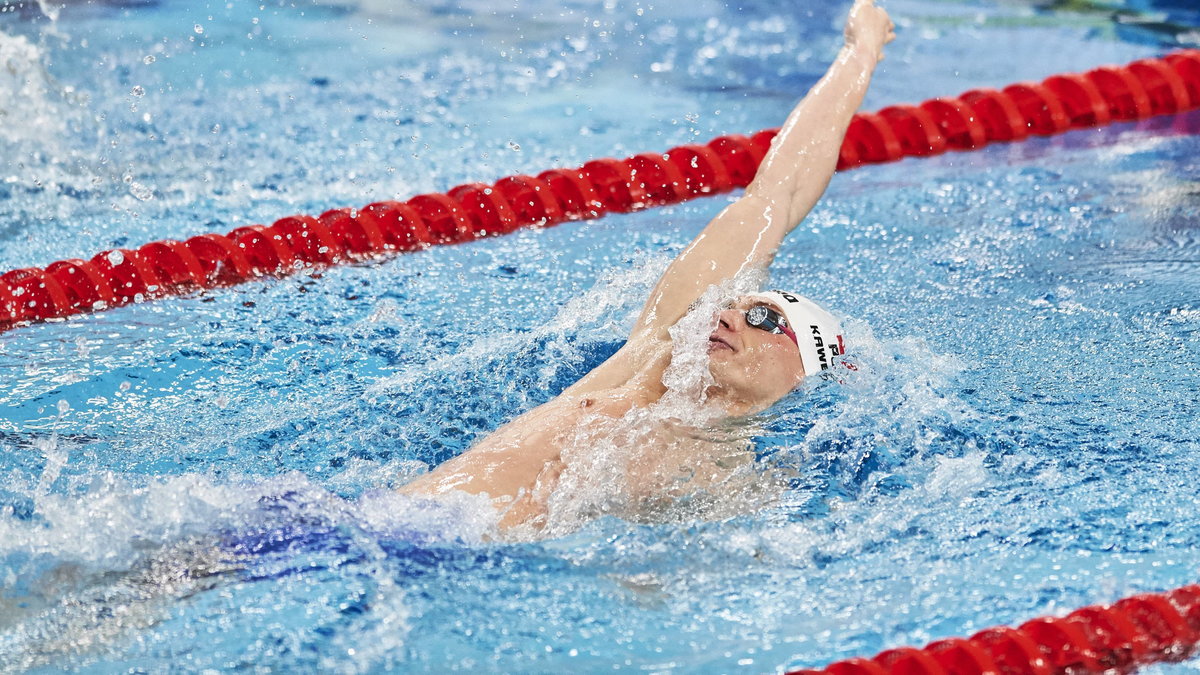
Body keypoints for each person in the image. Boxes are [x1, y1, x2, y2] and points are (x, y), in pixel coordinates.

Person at [399, 0, 895, 534]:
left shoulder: (736, 483)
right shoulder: (647, 368)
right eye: (730, 306)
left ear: (805, 370)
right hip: (390, 522)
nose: (726, 316)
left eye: (765, 320)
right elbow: (776, 192)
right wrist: (858, 52)